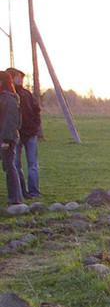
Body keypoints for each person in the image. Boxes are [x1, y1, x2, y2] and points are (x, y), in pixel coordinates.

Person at [6, 68, 41, 199]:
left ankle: (34, 192)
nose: (20, 79)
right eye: (17, 77)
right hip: (16, 135)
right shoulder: (8, 96)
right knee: (16, 164)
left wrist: (36, 126)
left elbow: (37, 110)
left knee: (33, 165)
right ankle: (21, 191)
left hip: (30, 133)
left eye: (21, 77)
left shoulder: (27, 94)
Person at [0, 71, 22, 206]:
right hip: (4, 137)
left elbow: (11, 121)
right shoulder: (4, 97)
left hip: (7, 138)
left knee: (10, 166)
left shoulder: (9, 98)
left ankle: (16, 198)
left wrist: (6, 141)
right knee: (8, 166)